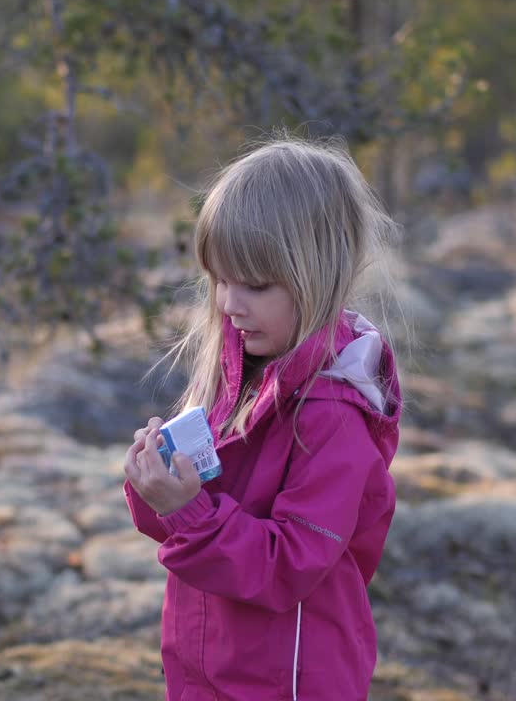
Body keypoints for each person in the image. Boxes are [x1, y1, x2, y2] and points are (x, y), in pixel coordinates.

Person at [123, 136, 403, 701]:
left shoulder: (333, 415)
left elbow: (287, 566)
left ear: (315, 274)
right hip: (207, 668)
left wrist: (187, 510)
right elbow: (183, 524)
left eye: (253, 284)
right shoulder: (239, 369)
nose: (229, 303)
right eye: (220, 280)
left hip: (290, 681)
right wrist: (157, 485)